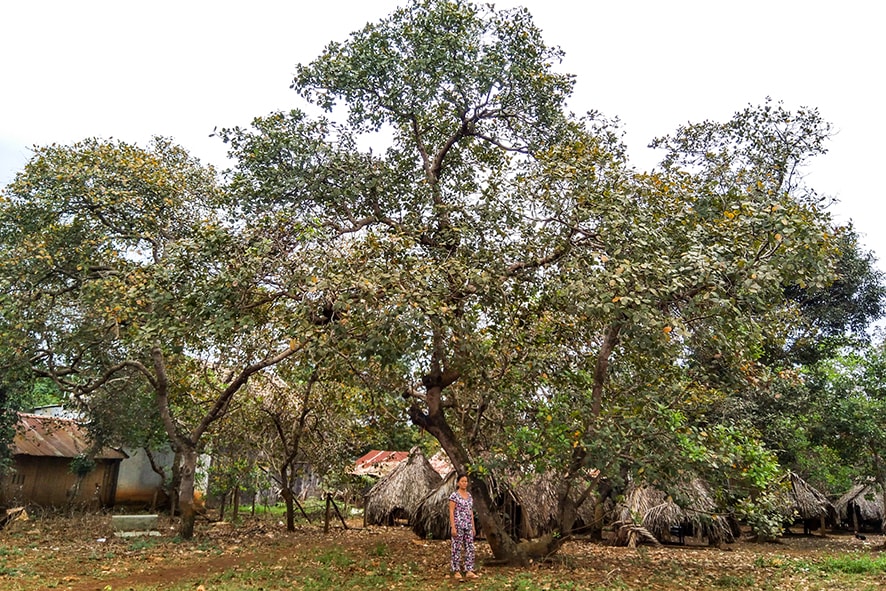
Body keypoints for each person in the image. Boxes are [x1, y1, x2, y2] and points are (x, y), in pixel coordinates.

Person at [448, 473, 480, 581]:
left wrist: (473, 526)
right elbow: (451, 511)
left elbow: (470, 511)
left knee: (469, 547)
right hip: (458, 524)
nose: (464, 483)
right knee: (456, 547)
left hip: (468, 525)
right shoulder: (454, 496)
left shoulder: (469, 496)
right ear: (458, 483)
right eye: (462, 481)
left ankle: (469, 569)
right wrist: (453, 527)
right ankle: (456, 570)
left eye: (466, 481)